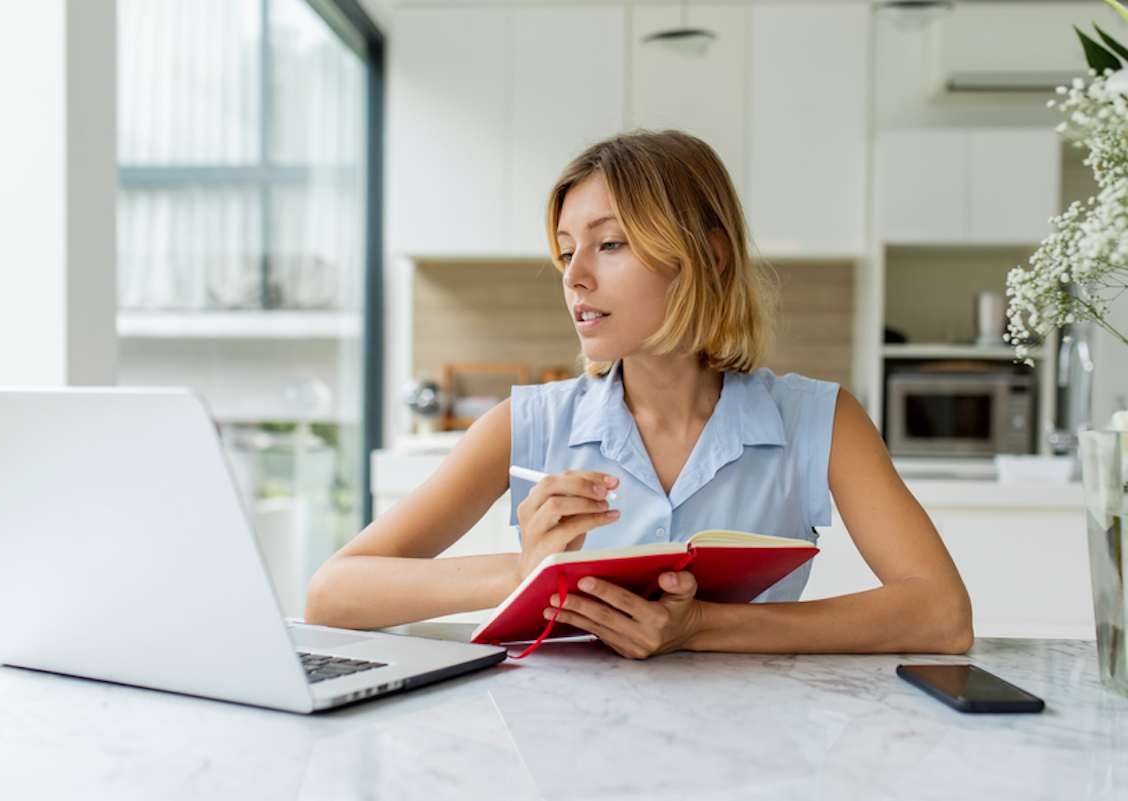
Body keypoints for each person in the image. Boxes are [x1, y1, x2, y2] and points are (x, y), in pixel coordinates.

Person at [306, 129, 973, 659]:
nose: (577, 277)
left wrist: (703, 625)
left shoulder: (819, 420)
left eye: (611, 243)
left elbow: (941, 615)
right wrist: (525, 573)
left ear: (709, 257)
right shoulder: (528, 423)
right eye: (568, 251)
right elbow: (334, 594)